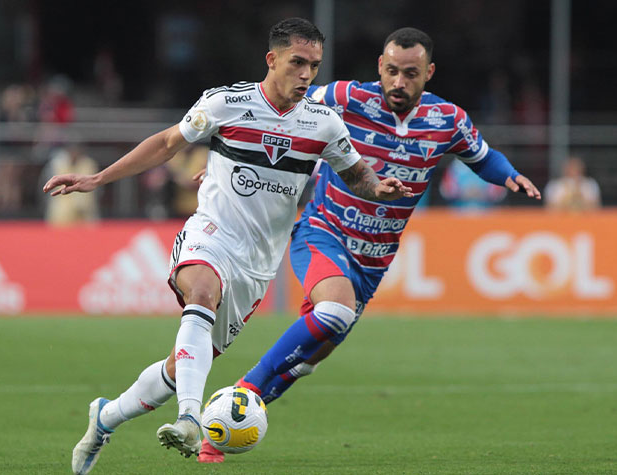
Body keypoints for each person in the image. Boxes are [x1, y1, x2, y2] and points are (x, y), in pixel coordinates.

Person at [43, 18, 412, 475]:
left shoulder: (322, 124)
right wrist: (97, 178)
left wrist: (380, 189)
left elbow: (357, 174)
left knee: (180, 368)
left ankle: (106, 417)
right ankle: (191, 417)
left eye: (314, 66)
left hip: (257, 265)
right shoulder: (227, 103)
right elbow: (165, 144)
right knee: (201, 293)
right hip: (211, 234)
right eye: (297, 62)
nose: (306, 75)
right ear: (271, 60)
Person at [198, 27, 541, 463]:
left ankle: (220, 432)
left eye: (411, 74)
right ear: (380, 66)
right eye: (392, 71)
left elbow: (482, 156)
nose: (399, 82)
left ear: (429, 73)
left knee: (307, 359)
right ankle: (245, 389)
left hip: (374, 259)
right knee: (334, 311)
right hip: (323, 230)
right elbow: (279, 110)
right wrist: (231, 156)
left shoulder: (447, 120)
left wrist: (508, 174)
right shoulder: (343, 98)